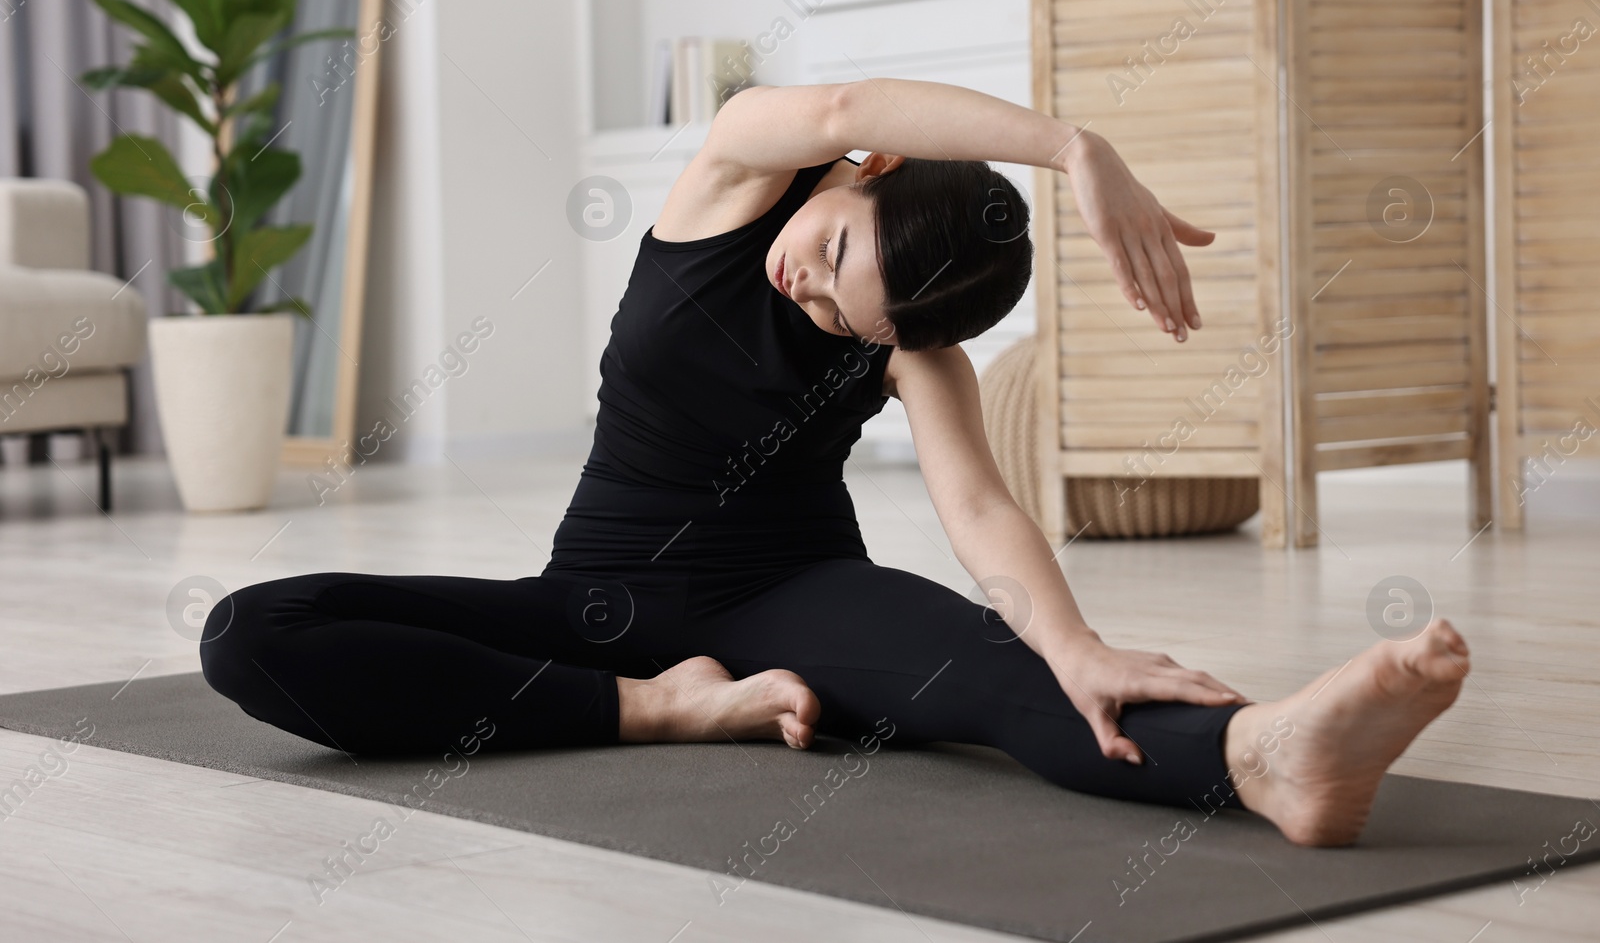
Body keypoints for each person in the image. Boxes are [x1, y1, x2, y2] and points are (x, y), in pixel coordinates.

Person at [200, 79, 1469, 847]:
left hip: (793, 599)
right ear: (866, 176)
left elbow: (974, 503)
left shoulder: (911, 346)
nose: (803, 290)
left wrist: (1075, 641)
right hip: (595, 601)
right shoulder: (744, 167)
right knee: (253, 631)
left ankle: (1266, 756)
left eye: (841, 323)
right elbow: (847, 104)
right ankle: (665, 709)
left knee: (1002, 673)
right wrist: (1076, 147)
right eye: (830, 258)